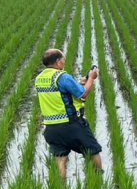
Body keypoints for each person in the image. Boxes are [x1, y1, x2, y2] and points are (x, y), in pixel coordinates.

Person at [34, 48, 102, 181]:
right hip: (71, 125)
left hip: (51, 128)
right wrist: (91, 79)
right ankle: (99, 181)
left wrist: (78, 84)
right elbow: (83, 95)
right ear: (58, 61)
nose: (64, 62)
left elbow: (59, 93)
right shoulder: (62, 77)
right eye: (63, 59)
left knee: (60, 160)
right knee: (93, 151)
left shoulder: (39, 78)